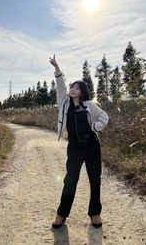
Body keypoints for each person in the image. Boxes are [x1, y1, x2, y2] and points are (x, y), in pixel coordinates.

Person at [49, 54, 109, 229]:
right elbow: (60, 86)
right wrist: (57, 69)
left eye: (77, 87)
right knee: (70, 179)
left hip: (92, 144)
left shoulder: (90, 105)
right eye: (72, 87)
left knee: (94, 179)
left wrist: (95, 127)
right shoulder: (64, 103)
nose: (73, 89)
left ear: (82, 91)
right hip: (74, 146)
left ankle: (95, 213)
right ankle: (61, 214)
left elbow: (104, 116)